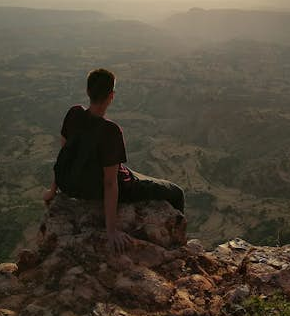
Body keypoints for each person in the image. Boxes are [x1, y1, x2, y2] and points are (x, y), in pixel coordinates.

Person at [43, 68, 185, 254]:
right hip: (106, 185)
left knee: (126, 170)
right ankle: (179, 247)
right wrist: (111, 231)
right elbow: (110, 183)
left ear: (88, 91)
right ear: (111, 96)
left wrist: (53, 191)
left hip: (71, 185)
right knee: (176, 192)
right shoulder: (110, 131)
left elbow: (64, 156)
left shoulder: (74, 113)